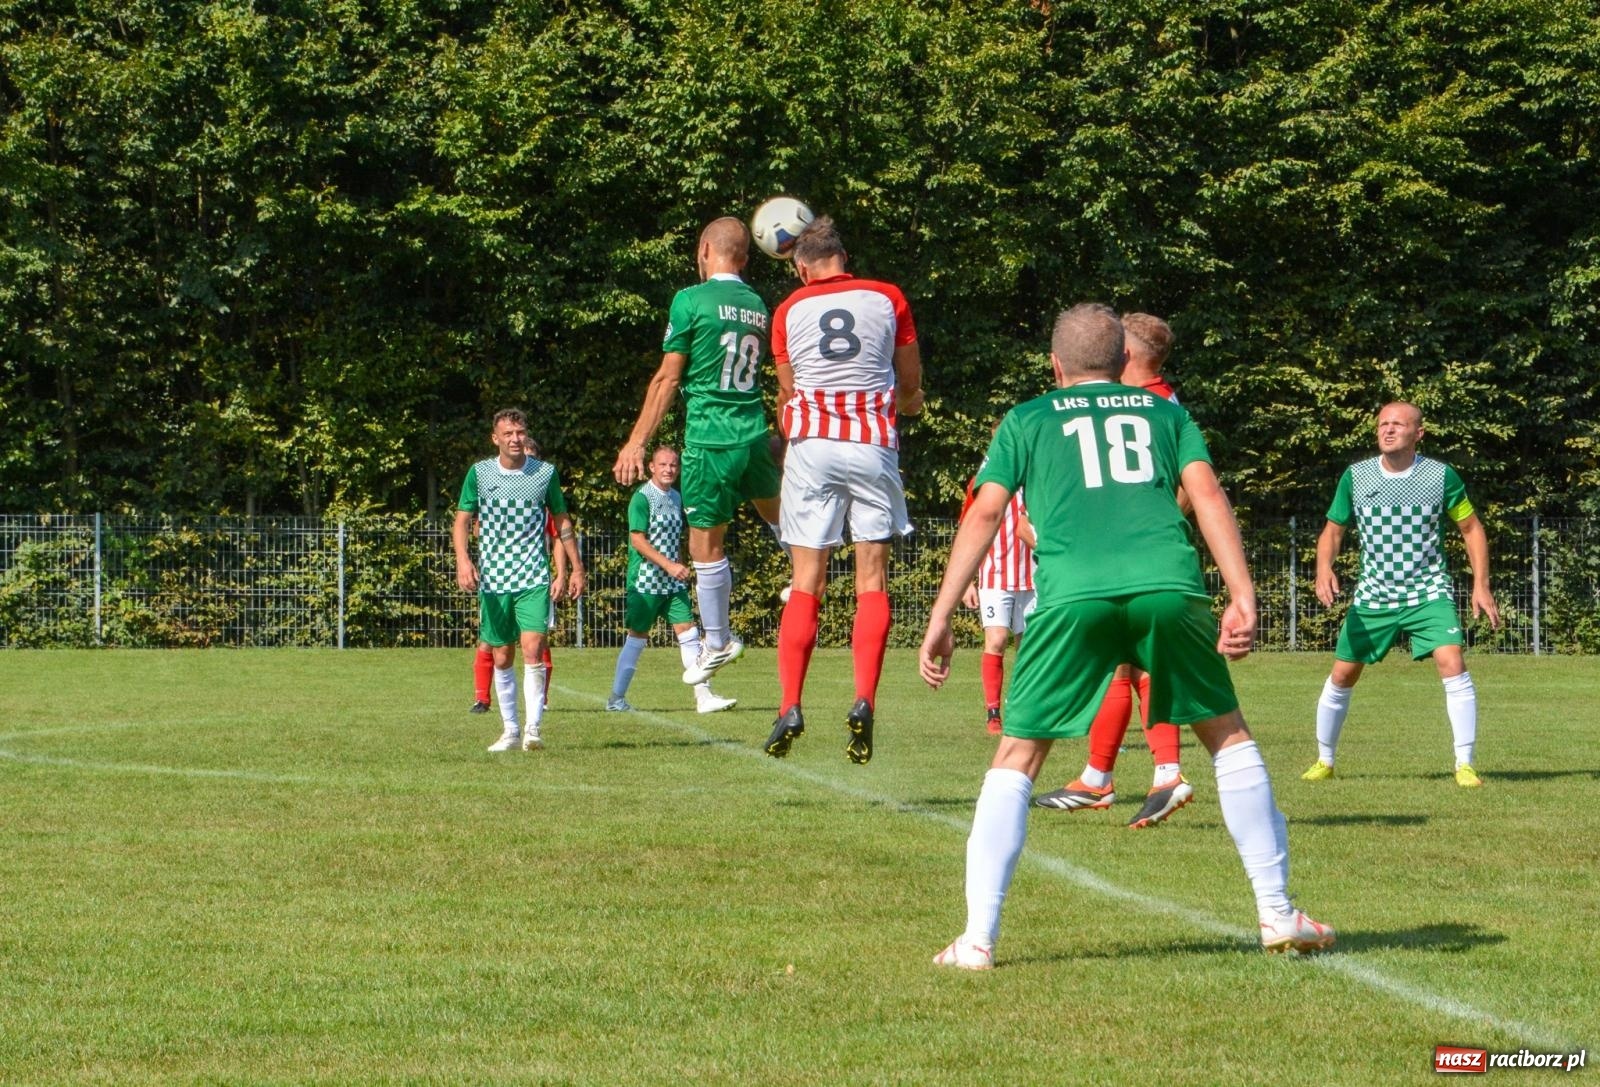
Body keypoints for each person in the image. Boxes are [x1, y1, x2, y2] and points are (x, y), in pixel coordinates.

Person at [919, 303, 1332, 969]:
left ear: (1055, 366)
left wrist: (941, 614)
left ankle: (977, 940)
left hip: (1072, 596)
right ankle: (1279, 913)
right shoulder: (1166, 414)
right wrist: (1243, 593)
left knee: (1018, 755)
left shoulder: (1027, 418)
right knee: (1227, 735)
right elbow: (1207, 496)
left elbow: (987, 511)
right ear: (1122, 362)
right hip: (1167, 587)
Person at [764, 215, 923, 764]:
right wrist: (910, 402)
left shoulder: (788, 310)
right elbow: (909, 382)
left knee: (805, 581)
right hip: (872, 442)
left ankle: (790, 704)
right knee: (871, 578)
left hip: (812, 446)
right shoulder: (887, 297)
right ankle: (863, 699)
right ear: (843, 257)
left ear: (802, 268)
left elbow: (789, 391)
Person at [1035, 313, 1194, 827]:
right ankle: (1099, 777)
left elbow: (1191, 486)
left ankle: (1161, 773)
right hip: (1134, 556)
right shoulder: (1148, 401)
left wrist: (1149, 528)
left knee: (1140, 663)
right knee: (1122, 664)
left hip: (1138, 557)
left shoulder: (1156, 406)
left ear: (1128, 354)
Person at [612, 217, 783, 691]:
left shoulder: (690, 299)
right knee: (780, 519)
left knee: (704, 547)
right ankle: (808, 581)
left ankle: (719, 640)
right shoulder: (757, 305)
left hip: (710, 438)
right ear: (745, 258)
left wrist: (637, 441)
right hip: (753, 433)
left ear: (705, 249)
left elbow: (668, 378)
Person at [1302, 401, 1500, 786]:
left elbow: (1471, 529)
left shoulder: (1441, 476)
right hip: (1374, 594)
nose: (1388, 430)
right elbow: (1333, 531)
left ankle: (1464, 764)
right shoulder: (1356, 476)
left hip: (1428, 590)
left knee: (1452, 661)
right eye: (1382, 424)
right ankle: (1325, 760)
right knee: (1342, 675)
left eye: (1397, 424)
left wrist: (1481, 584)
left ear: (1418, 433)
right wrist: (1323, 567)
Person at [454, 409, 584, 752]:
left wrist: (576, 568)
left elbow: (561, 520)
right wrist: (463, 560)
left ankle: (533, 729)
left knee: (533, 648)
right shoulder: (479, 473)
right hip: (494, 579)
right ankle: (510, 730)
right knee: (501, 655)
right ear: (495, 438)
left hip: (532, 576)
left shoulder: (545, 473)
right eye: (508, 433)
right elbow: (462, 520)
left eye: (520, 432)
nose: (515, 439)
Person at [606, 445, 738, 715]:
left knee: (689, 634)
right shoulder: (642, 498)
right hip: (645, 582)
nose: (669, 469)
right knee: (637, 637)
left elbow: (675, 538)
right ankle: (616, 699)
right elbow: (637, 540)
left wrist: (678, 564)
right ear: (652, 467)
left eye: (673, 465)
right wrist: (669, 565)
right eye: (663, 465)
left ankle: (704, 697)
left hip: (672, 583)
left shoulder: (677, 497)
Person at [471, 439, 565, 714]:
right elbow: (474, 527)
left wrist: (561, 573)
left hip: (532, 578)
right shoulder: (494, 491)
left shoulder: (545, 503)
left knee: (536, 642)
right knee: (493, 642)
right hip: (498, 578)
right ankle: (482, 698)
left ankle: (539, 704)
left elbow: (559, 537)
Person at [958, 451, 1036, 736]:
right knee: (997, 639)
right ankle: (993, 712)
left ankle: (1023, 708)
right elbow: (968, 529)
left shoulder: (1036, 478)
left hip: (1033, 576)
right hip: (995, 575)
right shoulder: (983, 481)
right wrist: (966, 581)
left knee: (1029, 646)